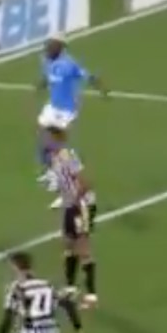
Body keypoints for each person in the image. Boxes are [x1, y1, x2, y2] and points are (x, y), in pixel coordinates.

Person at [36, 37, 107, 208]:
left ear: (58, 50)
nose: (46, 51)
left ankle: (78, 191)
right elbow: (47, 77)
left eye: (49, 48)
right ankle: (56, 174)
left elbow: (87, 76)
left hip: (65, 111)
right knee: (44, 140)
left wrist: (101, 88)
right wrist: (40, 86)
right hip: (52, 107)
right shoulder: (46, 61)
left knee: (57, 150)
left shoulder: (69, 65)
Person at [43, 126, 99, 308]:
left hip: (81, 204)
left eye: (49, 138)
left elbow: (85, 183)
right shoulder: (54, 159)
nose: (46, 141)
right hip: (70, 205)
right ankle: (70, 287)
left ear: (57, 139)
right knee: (68, 244)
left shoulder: (67, 156)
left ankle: (91, 295)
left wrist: (75, 201)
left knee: (82, 246)